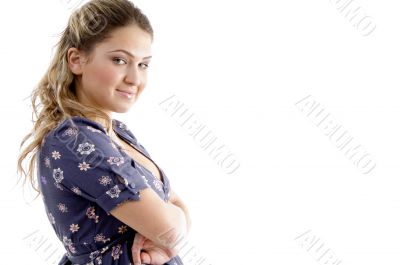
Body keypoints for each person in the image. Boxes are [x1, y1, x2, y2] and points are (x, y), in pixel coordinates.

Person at [16, 0, 191, 264]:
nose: (135, 78)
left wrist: (171, 229)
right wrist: (171, 226)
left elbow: (172, 218)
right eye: (120, 60)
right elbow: (169, 226)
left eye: (143, 64)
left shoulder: (118, 134)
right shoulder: (75, 140)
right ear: (77, 60)